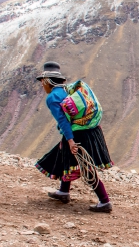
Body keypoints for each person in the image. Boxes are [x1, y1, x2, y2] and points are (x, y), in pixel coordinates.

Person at [34, 61, 113, 213]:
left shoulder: (52, 97)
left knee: (85, 165)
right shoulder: (68, 90)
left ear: (47, 81)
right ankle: (64, 192)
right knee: (65, 158)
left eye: (42, 82)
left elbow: (63, 121)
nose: (42, 85)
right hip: (90, 130)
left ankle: (104, 201)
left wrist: (70, 141)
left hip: (77, 135)